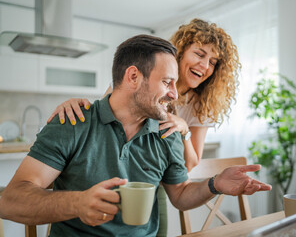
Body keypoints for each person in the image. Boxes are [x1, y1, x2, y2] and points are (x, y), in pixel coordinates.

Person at [0, 35, 271, 237]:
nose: (175, 95)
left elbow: (180, 195)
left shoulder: (168, 133)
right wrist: (78, 203)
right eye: (167, 83)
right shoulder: (73, 121)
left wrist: (215, 184)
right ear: (132, 77)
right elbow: (10, 202)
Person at [46, 18, 241, 236]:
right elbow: (105, 123)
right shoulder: (140, 81)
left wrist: (184, 130)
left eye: (213, 62)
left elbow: (189, 164)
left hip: (154, 176)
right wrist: (75, 106)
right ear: (181, 52)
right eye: (199, 54)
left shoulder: (200, 104)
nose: (205, 66)